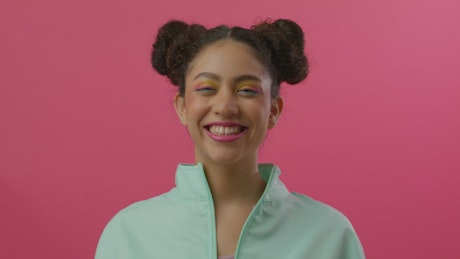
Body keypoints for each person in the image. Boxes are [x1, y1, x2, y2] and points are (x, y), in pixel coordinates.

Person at [95, 19, 365, 259]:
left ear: (273, 110)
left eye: (247, 90)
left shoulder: (328, 234)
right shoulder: (128, 233)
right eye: (206, 89)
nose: (225, 106)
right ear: (182, 107)